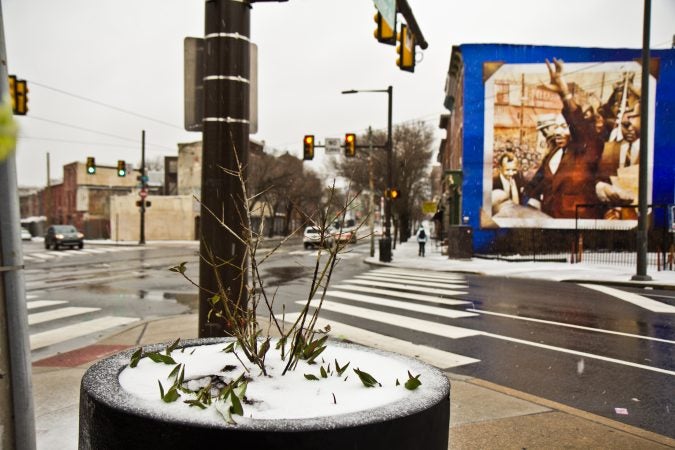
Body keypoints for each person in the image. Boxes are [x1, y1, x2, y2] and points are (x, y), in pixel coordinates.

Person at [523, 58, 604, 219]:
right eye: (556, 127)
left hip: (576, 224)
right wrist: (532, 198)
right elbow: (537, 183)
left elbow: (579, 125)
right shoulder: (553, 152)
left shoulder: (585, 148)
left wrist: (564, 91)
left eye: (564, 127)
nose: (558, 132)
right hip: (549, 224)